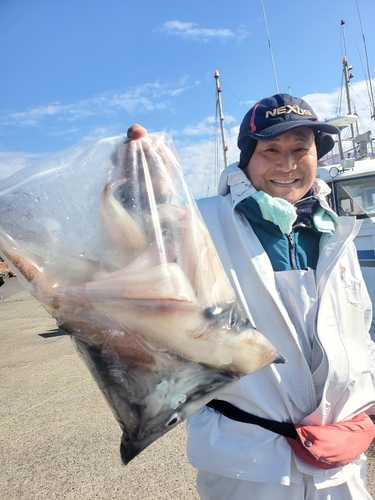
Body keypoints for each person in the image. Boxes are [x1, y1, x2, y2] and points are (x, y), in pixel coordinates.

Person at [127, 93, 375, 499]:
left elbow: (359, 334)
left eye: (300, 149)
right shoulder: (200, 222)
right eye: (270, 150)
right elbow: (136, 266)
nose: (287, 163)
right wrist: (134, 200)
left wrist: (367, 419)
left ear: (318, 154)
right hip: (249, 467)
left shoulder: (337, 232)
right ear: (246, 159)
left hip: (342, 465)